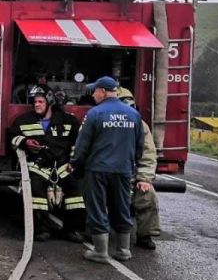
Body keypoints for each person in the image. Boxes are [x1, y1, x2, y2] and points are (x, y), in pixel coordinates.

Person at [69, 76, 143, 262]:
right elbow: (139, 146)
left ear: (102, 91)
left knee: (98, 208)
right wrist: (131, 164)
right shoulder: (133, 114)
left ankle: (100, 252)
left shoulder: (94, 114)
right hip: (123, 169)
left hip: (98, 170)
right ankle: (123, 250)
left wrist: (76, 165)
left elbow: (82, 145)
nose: (93, 95)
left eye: (94, 91)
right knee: (122, 207)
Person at [7, 86, 85, 241]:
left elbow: (78, 143)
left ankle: (73, 229)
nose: (36, 105)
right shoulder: (23, 120)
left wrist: (73, 163)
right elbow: (11, 138)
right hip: (37, 165)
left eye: (40, 102)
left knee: (75, 188)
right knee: (36, 189)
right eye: (35, 102)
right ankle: (40, 229)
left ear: (50, 102)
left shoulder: (68, 121)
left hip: (63, 166)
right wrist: (25, 142)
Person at [117, 87, 161, 249]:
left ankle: (145, 235)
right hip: (108, 173)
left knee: (147, 197)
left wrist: (144, 178)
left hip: (132, 174)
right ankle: (96, 233)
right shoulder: (102, 121)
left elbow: (148, 154)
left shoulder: (140, 126)